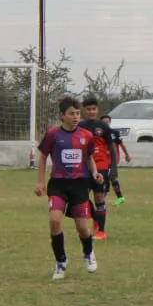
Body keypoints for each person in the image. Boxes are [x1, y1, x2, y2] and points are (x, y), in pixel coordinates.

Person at [34, 96, 101, 280]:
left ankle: (88, 253)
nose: (76, 117)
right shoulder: (53, 135)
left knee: (82, 228)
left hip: (79, 184)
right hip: (58, 184)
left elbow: (89, 158)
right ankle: (61, 261)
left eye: (78, 114)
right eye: (72, 114)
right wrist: (40, 182)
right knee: (55, 221)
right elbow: (42, 157)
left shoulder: (86, 136)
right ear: (62, 115)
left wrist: (95, 172)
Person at [79, 97, 117, 239]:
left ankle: (101, 231)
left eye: (94, 109)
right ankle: (95, 217)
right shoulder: (79, 126)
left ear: (97, 110)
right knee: (80, 197)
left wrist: (113, 168)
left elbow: (112, 148)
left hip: (100, 165)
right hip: (83, 166)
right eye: (88, 109)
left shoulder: (103, 126)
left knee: (99, 197)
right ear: (84, 110)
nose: (91, 111)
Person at [100, 114, 130, 204]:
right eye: (104, 122)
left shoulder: (114, 133)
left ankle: (103, 199)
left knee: (107, 177)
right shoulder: (98, 133)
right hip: (103, 159)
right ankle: (120, 197)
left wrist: (127, 155)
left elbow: (121, 144)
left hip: (112, 159)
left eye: (107, 122)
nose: (106, 124)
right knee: (112, 178)